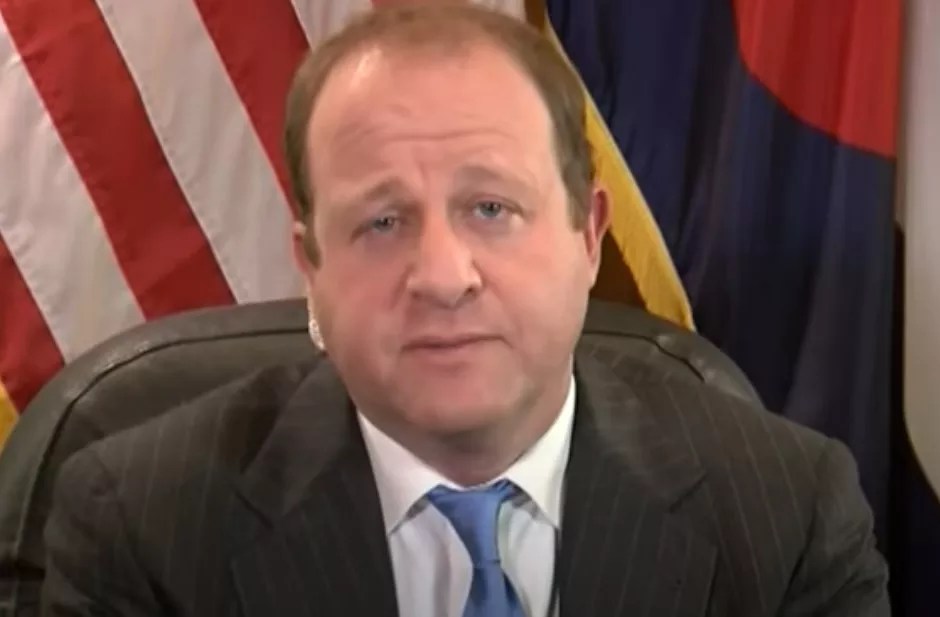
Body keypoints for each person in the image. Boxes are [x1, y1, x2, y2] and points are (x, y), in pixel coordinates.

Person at [39, 3, 889, 616]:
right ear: (311, 265)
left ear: (588, 236)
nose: (444, 277)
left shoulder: (786, 513)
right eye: (382, 222)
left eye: (491, 208)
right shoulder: (140, 526)